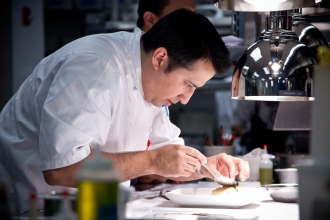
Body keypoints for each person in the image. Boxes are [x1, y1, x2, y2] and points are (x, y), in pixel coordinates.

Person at [0, 9, 250, 215]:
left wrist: (208, 167)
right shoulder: (94, 69)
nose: (186, 99)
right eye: (188, 84)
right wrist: (153, 160)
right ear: (160, 58)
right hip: (29, 206)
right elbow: (61, 168)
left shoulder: (152, 84)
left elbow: (166, 159)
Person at [133, 0, 196, 185]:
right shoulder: (102, 68)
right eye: (182, 17)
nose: (191, 27)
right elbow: (65, 167)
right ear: (150, 19)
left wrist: (209, 166)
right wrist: (152, 163)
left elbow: (164, 147)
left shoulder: (157, 78)